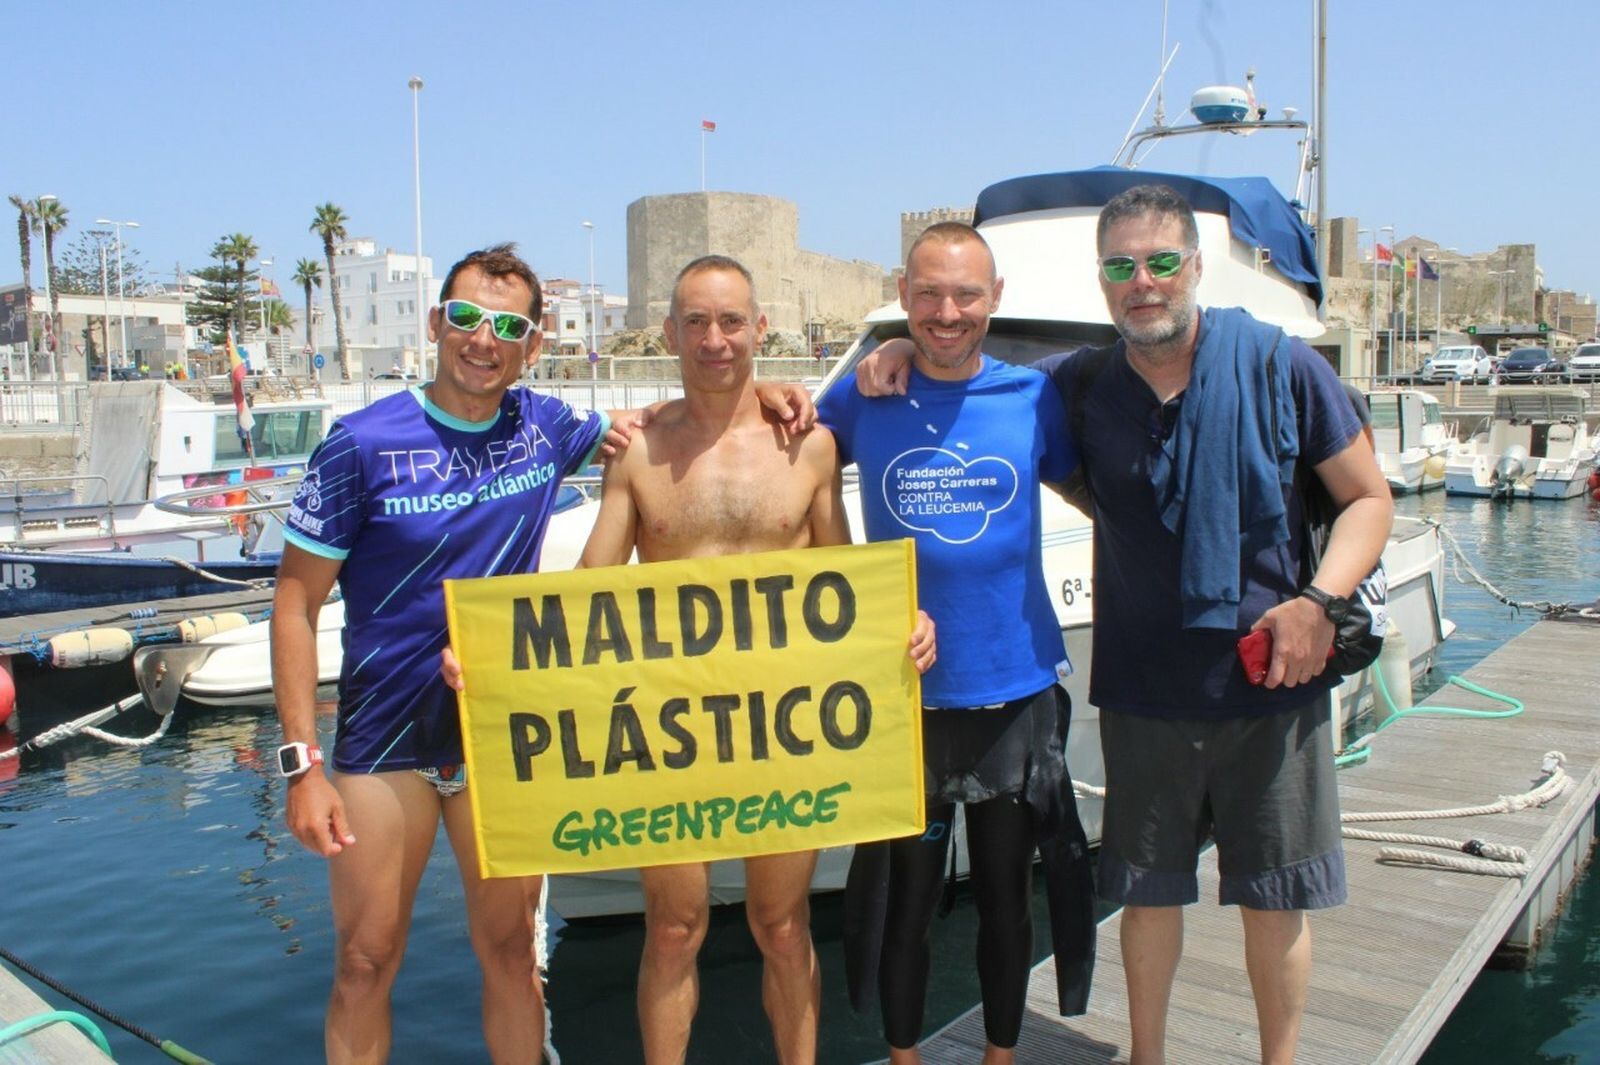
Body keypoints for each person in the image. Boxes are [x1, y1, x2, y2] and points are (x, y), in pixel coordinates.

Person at [862, 185, 1393, 1065]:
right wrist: (891, 353)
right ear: (1102, 280)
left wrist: (1317, 602)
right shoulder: (1081, 386)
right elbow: (981, 399)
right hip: (1146, 689)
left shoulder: (1282, 366)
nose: (1141, 283)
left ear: (1194, 266)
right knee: (1147, 895)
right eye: (1120, 267)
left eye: (1158, 263)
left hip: (1274, 681)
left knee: (1275, 896)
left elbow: (1368, 500)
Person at [272, 243, 814, 1064]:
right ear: (436, 323)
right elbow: (294, 603)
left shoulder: (546, 427)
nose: (482, 340)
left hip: (505, 730)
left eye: (507, 326)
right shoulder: (358, 443)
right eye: (465, 318)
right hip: (385, 736)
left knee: (512, 956)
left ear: (532, 342)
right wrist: (300, 765)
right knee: (363, 960)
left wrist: (767, 390)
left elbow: (694, 411)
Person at [448, 254, 933, 1064]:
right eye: (697, 323)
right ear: (670, 332)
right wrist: (497, 657)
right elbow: (586, 593)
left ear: (759, 329)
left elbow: (842, 584)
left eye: (732, 321)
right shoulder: (638, 453)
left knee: (781, 926)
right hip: (671, 736)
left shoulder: (808, 445)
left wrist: (901, 623)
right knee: (674, 929)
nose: (716, 340)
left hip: (788, 730)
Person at [825, 223, 1095, 1065]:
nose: (948, 313)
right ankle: (905, 1056)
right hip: (906, 697)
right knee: (905, 903)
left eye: (966, 295)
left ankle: (999, 1055)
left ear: (995, 299)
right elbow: (775, 452)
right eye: (929, 296)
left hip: (1013, 693)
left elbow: (1113, 480)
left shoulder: (1031, 397)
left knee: (1008, 900)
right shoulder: (861, 396)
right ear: (904, 296)